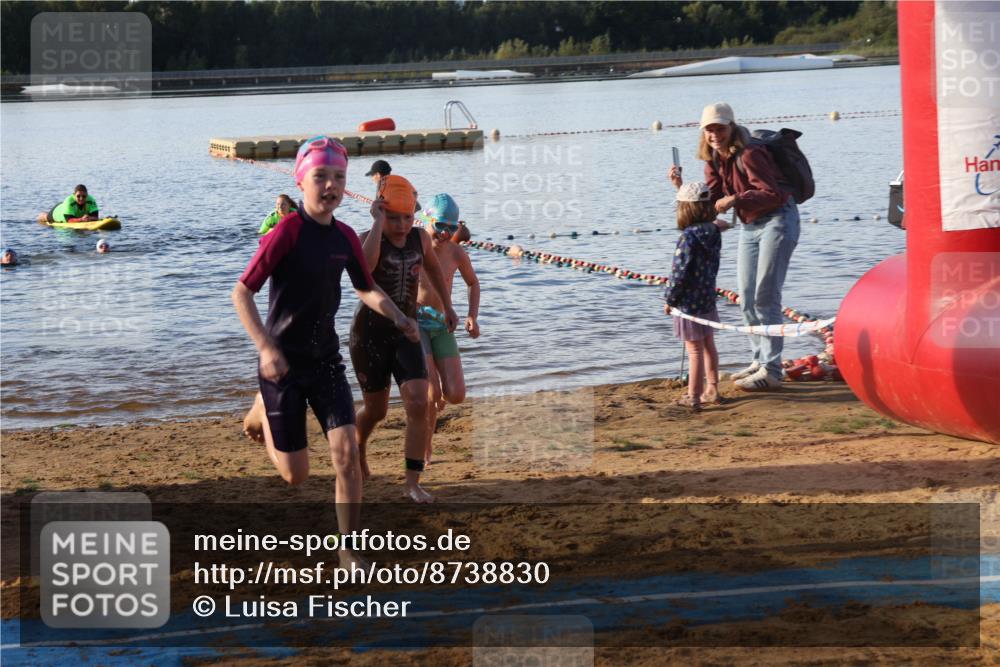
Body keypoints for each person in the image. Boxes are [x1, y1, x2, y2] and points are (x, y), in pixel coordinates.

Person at [232, 136, 418, 567]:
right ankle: (260, 407)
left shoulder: (346, 237)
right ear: (301, 181)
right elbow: (241, 293)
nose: (331, 185)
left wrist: (398, 316)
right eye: (321, 176)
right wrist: (265, 349)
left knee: (346, 453)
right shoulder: (285, 234)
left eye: (339, 177)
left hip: (326, 361)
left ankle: (348, 548)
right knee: (295, 475)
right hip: (282, 366)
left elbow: (365, 288)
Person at [669, 102, 799, 391]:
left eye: (720, 128)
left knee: (766, 295)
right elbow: (709, 203)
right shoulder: (712, 159)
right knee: (746, 297)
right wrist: (680, 187)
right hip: (750, 225)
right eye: (709, 129)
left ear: (731, 127)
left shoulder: (750, 153)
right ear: (703, 132)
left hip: (778, 219)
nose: (715, 134)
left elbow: (772, 193)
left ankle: (773, 370)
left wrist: (736, 199)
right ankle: (759, 360)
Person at [349, 175, 458, 503]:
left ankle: (412, 482)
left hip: (407, 332)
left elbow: (435, 270)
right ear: (380, 211)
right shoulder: (367, 238)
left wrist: (449, 305)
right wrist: (377, 224)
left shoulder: (420, 240)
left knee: (418, 402)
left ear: (416, 216)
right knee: (376, 411)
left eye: (407, 218)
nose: (400, 225)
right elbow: (365, 274)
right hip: (369, 336)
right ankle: (358, 445)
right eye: (393, 217)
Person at [415, 194, 481, 465]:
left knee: (455, 394)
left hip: (443, 325)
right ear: (426, 219)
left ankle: (438, 399)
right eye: (440, 225)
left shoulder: (455, 252)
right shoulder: (413, 245)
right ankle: (426, 446)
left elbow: (473, 283)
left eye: (452, 228)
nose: (445, 233)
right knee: (431, 394)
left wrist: (472, 316)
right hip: (416, 325)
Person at [663, 182, 723, 411]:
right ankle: (713, 389)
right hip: (707, 296)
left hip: (688, 302)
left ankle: (693, 396)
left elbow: (679, 272)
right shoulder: (713, 230)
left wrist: (670, 299)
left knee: (694, 350)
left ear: (685, 209)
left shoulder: (688, 237)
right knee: (708, 344)